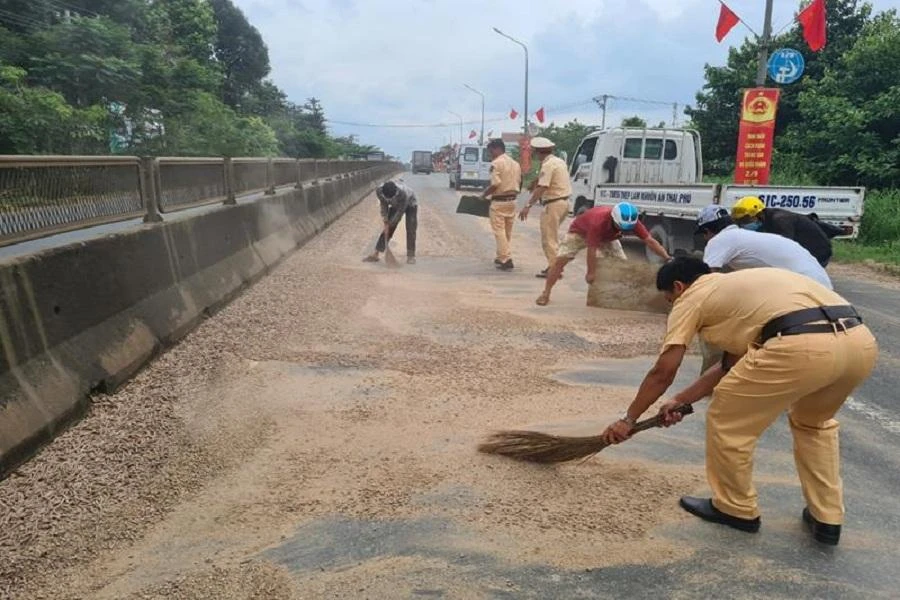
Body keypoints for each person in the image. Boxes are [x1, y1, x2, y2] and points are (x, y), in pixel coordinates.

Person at [600, 257, 878, 545]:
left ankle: (735, 508)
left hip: (800, 344)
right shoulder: (739, 289)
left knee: (727, 421)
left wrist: (628, 419)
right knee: (814, 424)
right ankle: (827, 517)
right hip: (859, 342)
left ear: (679, 286)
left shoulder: (692, 297)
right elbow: (729, 365)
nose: (673, 305)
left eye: (670, 300)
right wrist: (681, 400)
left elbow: (664, 371)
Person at [535, 203, 671, 306]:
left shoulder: (632, 222)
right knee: (559, 262)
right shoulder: (598, 222)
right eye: (621, 227)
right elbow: (592, 249)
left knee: (622, 265)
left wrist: (667, 257)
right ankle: (546, 293)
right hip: (579, 233)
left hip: (608, 237)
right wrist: (591, 273)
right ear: (613, 219)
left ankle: (618, 295)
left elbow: (650, 241)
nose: (624, 231)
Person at [697, 205, 832, 289]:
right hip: (821, 284)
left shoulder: (720, 240)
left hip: (805, 288)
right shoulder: (745, 237)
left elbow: (706, 282)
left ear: (707, 231)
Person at [517, 137, 572, 278]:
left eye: (535, 152)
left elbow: (543, 187)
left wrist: (528, 205)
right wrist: (535, 183)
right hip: (564, 202)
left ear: (538, 152)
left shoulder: (547, 165)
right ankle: (555, 266)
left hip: (553, 203)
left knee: (549, 238)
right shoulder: (559, 161)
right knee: (553, 237)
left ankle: (554, 269)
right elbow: (546, 179)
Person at [731, 196, 832, 267]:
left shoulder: (780, 220)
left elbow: (785, 248)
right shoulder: (765, 220)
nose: (741, 225)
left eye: (745, 220)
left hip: (818, 252)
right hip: (801, 248)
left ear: (759, 214)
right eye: (739, 221)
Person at [480, 139, 522, 271]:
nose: (490, 154)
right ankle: (501, 256)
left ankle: (506, 259)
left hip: (499, 201)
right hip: (512, 201)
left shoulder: (496, 163)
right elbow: (520, 182)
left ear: (497, 149)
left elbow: (495, 184)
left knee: (499, 231)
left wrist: (483, 195)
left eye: (490, 151)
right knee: (506, 232)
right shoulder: (515, 164)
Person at [363, 179, 417, 265]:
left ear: (395, 193)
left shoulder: (403, 194)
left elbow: (400, 212)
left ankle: (411, 256)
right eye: (387, 198)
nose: (389, 200)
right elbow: (383, 205)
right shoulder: (379, 191)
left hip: (410, 204)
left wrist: (390, 224)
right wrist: (385, 219)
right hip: (395, 205)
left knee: (411, 229)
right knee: (388, 229)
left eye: (391, 198)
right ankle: (376, 254)